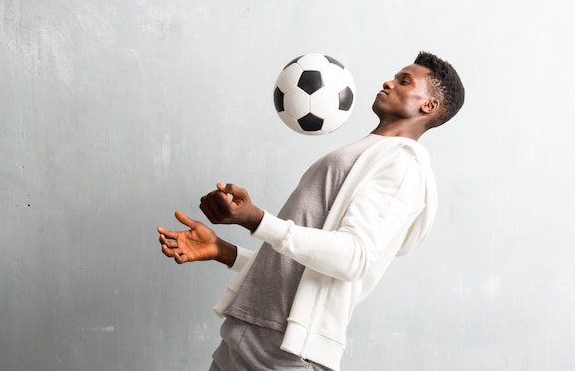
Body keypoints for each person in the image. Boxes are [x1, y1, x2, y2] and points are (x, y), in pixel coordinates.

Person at [157, 51, 465, 371]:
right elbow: (299, 271)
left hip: (284, 353)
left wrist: (256, 219)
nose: (388, 82)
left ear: (428, 106)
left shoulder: (402, 165)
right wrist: (224, 251)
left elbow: (353, 257)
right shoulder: (368, 152)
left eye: (404, 81)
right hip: (245, 336)